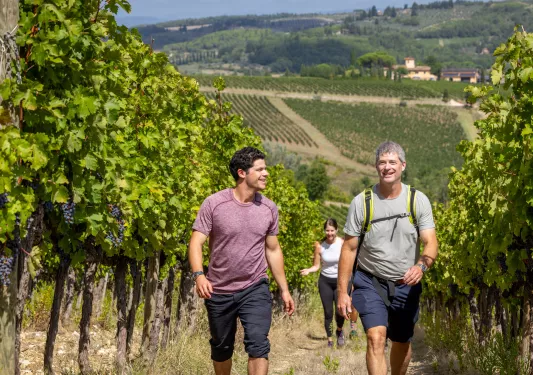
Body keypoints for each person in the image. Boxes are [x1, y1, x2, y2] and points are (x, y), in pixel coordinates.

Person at [189, 146, 295, 375]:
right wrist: (199, 275)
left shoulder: (268, 208)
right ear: (242, 173)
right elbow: (196, 242)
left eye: (265, 168)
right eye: (260, 169)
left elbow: (273, 250)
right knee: (221, 347)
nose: (266, 173)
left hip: (254, 286)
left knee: (258, 344)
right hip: (219, 289)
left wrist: (284, 289)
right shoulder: (214, 204)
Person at [337, 141, 438, 375]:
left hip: (406, 282)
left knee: (402, 341)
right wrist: (343, 291)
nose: (387, 167)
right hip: (369, 280)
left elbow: (430, 242)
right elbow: (349, 248)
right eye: (382, 162)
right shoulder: (362, 202)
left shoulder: (417, 200)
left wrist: (421, 266)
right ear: (376, 167)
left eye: (392, 162)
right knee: (375, 336)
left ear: (403, 166)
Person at [300, 218, 359, 347]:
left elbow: (350, 262)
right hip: (325, 281)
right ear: (324, 231)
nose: (330, 233)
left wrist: (352, 280)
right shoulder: (320, 246)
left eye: (332, 230)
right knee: (328, 312)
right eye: (327, 230)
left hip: (341, 281)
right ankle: (330, 340)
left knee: (340, 311)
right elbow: (316, 265)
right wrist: (309, 270)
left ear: (337, 230)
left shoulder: (343, 244)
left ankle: (339, 330)